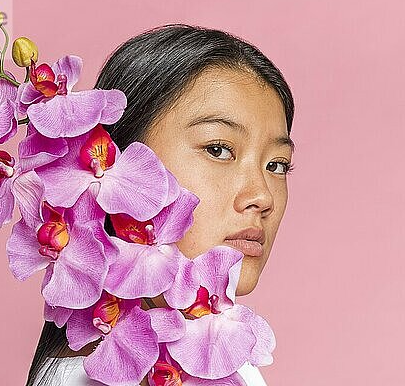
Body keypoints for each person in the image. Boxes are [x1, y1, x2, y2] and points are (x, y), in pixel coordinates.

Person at [25, 23, 295, 386]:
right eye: (218, 149)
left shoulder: (229, 362)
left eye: (277, 165)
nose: (262, 197)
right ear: (120, 159)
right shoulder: (90, 377)